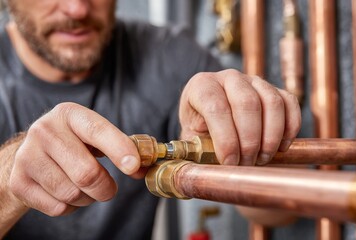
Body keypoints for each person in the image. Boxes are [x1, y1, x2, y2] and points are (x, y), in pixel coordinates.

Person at [0, 0, 301, 239]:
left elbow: (279, 213)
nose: (77, 8)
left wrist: (249, 143)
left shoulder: (170, 56)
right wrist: (10, 177)